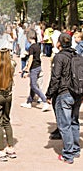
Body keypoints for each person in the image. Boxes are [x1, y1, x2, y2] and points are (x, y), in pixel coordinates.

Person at [46, 33, 82, 164]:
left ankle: (68, 154)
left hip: (64, 93)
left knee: (64, 124)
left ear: (59, 43)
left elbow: (55, 78)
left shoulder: (59, 57)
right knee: (74, 122)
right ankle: (76, 150)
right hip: (77, 93)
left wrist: (49, 94)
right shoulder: (78, 56)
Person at [20, 29, 50, 112]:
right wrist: (25, 68)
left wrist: (27, 70)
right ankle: (29, 102)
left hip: (34, 68)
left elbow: (31, 59)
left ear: (28, 38)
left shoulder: (31, 47)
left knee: (34, 86)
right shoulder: (37, 46)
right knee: (32, 85)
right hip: (38, 67)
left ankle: (45, 100)